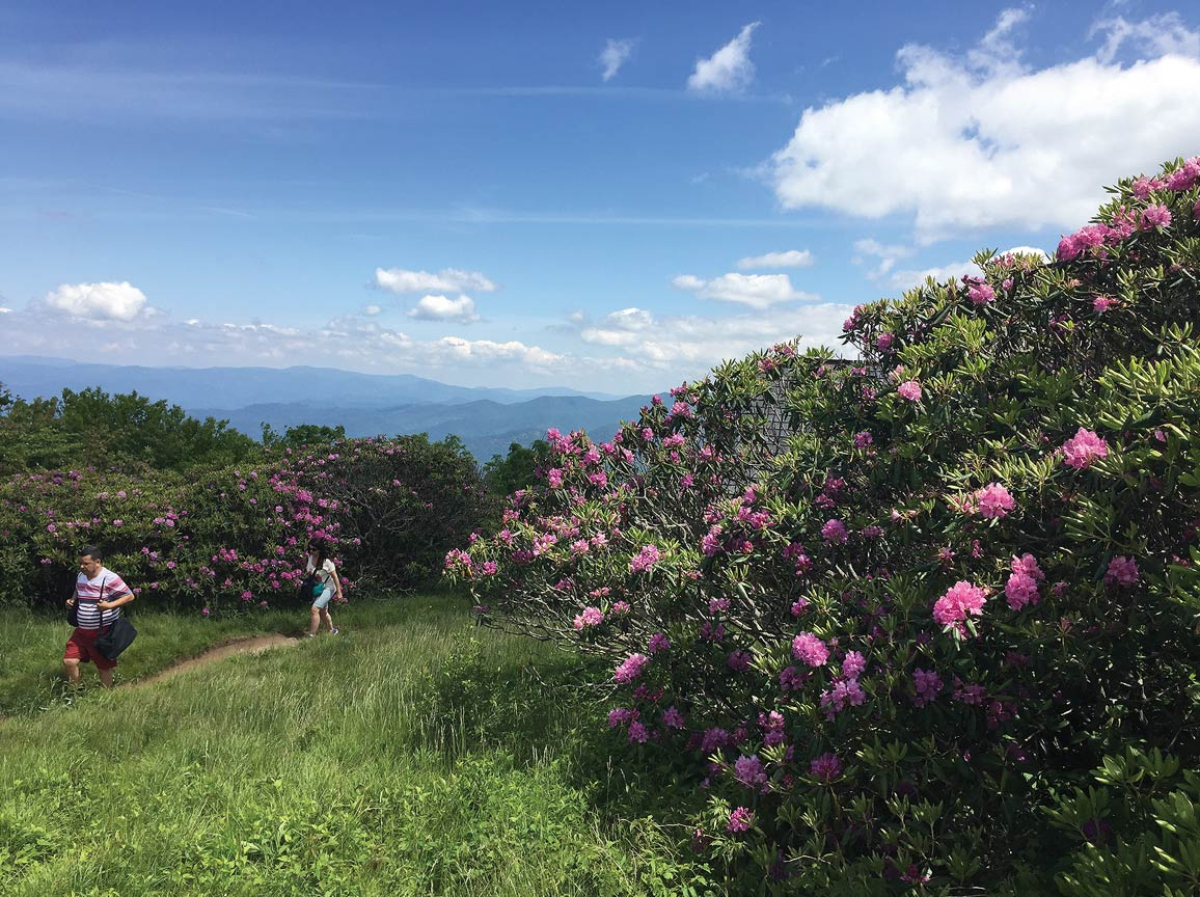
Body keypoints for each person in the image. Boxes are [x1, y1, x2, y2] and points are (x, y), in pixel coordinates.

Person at [64, 545, 135, 688]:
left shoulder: (109, 578)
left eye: (86, 563)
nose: (82, 566)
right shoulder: (81, 576)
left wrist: (109, 606)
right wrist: (71, 601)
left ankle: (106, 697)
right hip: (82, 631)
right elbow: (78, 591)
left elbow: (129, 596)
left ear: (97, 562)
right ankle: (76, 693)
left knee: (103, 667)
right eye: (80, 563)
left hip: (102, 632)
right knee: (69, 661)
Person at [304, 539, 343, 637]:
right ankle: (332, 630)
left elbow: (335, 576)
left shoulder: (327, 562)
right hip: (318, 587)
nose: (311, 551)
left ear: (320, 550)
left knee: (314, 609)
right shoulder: (310, 558)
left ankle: (311, 635)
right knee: (323, 612)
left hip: (328, 588)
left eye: (314, 549)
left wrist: (339, 592)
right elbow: (309, 571)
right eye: (310, 549)